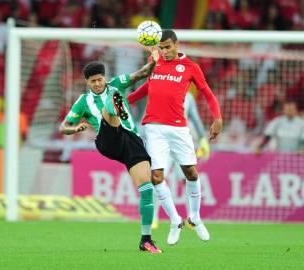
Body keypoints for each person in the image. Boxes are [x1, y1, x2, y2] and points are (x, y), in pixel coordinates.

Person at [60, 48, 162, 253]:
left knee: (147, 189)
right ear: (87, 83)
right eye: (93, 81)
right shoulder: (83, 101)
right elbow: (63, 127)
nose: (97, 84)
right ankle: (115, 108)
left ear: (104, 77)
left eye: (100, 80)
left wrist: (155, 60)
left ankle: (146, 239)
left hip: (131, 140)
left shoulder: (115, 82)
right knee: (112, 102)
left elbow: (142, 73)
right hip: (107, 141)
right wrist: (75, 128)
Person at [127, 30, 222, 245]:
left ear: (177, 44)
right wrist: (125, 100)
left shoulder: (190, 67)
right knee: (156, 177)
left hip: (178, 129)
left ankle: (195, 217)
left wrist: (217, 117)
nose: (164, 51)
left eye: (168, 47)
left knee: (191, 173)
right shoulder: (154, 61)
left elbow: (207, 92)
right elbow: (147, 87)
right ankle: (174, 220)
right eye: (161, 47)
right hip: (154, 128)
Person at [145, 92, 211, 229]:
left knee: (187, 179)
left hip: (181, 144)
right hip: (164, 145)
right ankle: (153, 217)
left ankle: (192, 217)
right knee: (158, 179)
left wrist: (203, 139)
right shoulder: (159, 92)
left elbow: (195, 118)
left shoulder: (189, 97)